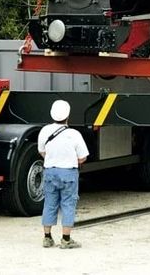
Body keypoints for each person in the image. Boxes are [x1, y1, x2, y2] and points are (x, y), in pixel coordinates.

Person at [38, 99, 89, 249]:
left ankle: (47, 238)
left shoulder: (44, 131)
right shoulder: (74, 134)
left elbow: (42, 151)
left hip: (50, 172)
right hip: (68, 174)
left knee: (49, 204)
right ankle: (66, 239)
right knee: (68, 204)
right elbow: (82, 157)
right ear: (68, 116)